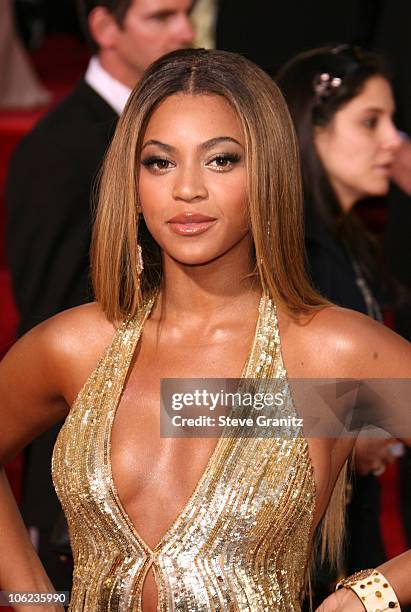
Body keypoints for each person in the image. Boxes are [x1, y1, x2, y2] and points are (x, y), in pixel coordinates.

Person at [1, 48, 411, 611]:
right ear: (133, 181)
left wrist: (372, 592)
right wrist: (31, 599)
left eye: (220, 160)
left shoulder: (330, 352)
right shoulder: (75, 346)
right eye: (159, 162)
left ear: (266, 170)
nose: (187, 189)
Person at [5, 0, 195, 590]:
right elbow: (53, 317)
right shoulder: (58, 153)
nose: (185, 32)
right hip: (86, 495)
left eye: (223, 160)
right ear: (104, 28)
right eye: (161, 16)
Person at [276, 45, 407, 605]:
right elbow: (218, 398)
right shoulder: (292, 249)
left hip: (353, 528)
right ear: (314, 129)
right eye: (371, 122)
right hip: (300, 547)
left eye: (394, 122)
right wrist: (361, 425)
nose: (394, 141)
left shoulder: (349, 238)